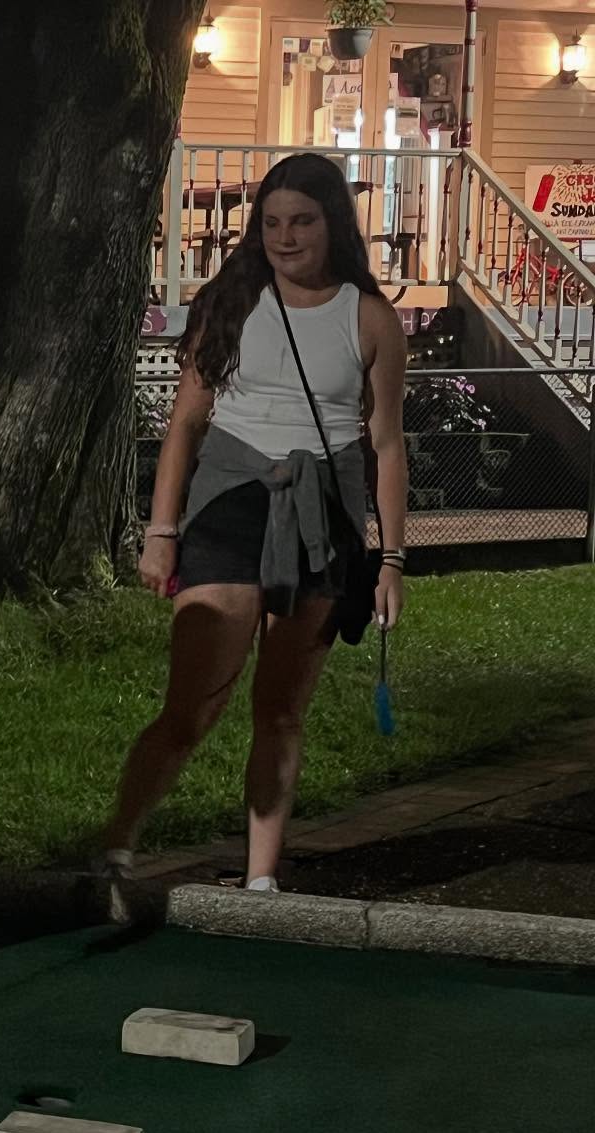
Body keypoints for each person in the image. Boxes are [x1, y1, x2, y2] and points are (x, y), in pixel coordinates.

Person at [96, 153, 408, 893]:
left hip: (323, 514)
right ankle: (113, 848)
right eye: (271, 223)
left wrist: (392, 559)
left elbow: (388, 444)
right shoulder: (229, 301)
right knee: (193, 705)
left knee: (282, 712)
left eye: (301, 221)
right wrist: (160, 530)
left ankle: (261, 884)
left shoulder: (370, 318)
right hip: (229, 505)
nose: (285, 237)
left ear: (334, 224)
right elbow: (185, 425)